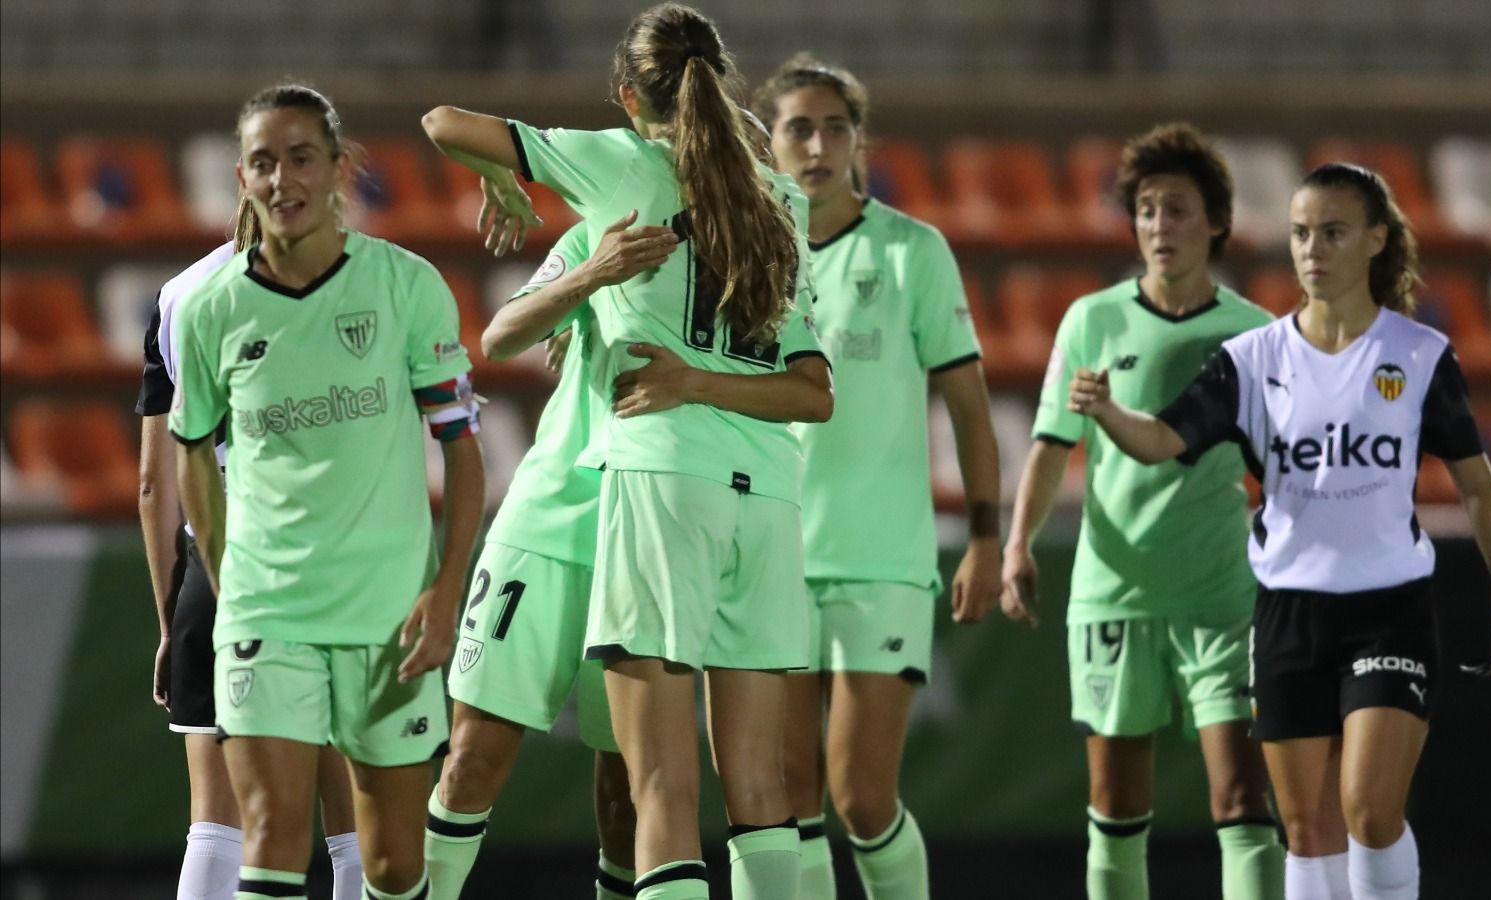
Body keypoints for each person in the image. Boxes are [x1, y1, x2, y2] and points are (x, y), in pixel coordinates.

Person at [420, 5, 833, 899]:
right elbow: (500, 332)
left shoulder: (627, 178)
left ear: (627, 98)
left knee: (647, 787)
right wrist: (588, 276)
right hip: (646, 499)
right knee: (752, 791)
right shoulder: (766, 208)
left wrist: (502, 176)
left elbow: (444, 123)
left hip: (652, 489)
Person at [1066, 162, 1491, 900]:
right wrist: (1107, 414)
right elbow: (1163, 440)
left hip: (1390, 611)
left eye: (1333, 232)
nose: (1312, 249)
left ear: (1376, 240)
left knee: (1370, 811)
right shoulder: (1252, 360)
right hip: (1287, 613)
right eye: (1300, 233)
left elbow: (1477, 485)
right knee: (1307, 830)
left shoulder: (1417, 357)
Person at [169, 83, 485, 900]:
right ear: (241, 178)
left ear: (340, 167)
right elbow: (191, 453)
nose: (283, 179)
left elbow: (463, 450)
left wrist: (447, 592)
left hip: (389, 615)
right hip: (267, 608)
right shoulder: (210, 310)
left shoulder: (408, 288)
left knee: (389, 862)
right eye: (263, 163)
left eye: (301, 157)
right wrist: (228, 569)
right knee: (271, 834)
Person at [1002, 122, 1284, 900]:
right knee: (1118, 804)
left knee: (1243, 800)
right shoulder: (1091, 319)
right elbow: (1050, 445)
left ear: (1218, 222)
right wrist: (1017, 545)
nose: (1162, 227)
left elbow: (1282, 464)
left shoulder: (1254, 334)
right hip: (1115, 591)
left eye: (1180, 209)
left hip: (1222, 592)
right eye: (1149, 209)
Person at [752, 55, 1002, 900]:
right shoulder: (747, 259)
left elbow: (970, 406)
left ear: (859, 139)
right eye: (798, 127)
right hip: (771, 556)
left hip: (883, 557)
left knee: (862, 797)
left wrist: (988, 537)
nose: (817, 144)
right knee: (787, 801)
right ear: (770, 142)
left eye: (834, 127)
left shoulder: (911, 250)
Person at [423, 212, 677, 900]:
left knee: (627, 785)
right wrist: (594, 277)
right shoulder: (609, 227)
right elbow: (501, 335)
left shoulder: (745, 257)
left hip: (652, 534)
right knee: (472, 758)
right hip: (549, 516)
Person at [137, 234, 364, 900]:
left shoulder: (181, 294)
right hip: (326, 554)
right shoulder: (357, 281)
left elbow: (157, 483)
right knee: (352, 816)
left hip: (218, 563)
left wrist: (169, 618)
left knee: (217, 819)